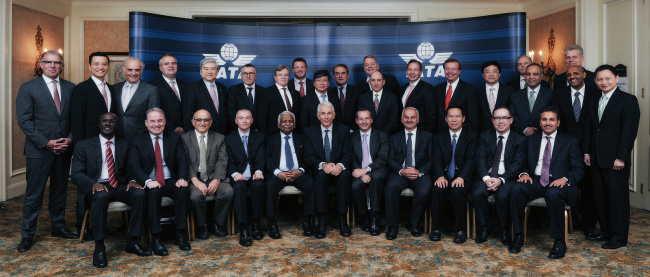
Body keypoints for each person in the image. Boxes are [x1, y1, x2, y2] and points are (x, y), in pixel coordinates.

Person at [16, 50, 77, 252]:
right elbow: (24, 120)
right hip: (39, 150)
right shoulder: (28, 88)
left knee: (60, 191)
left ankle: (58, 227)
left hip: (64, 149)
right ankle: (27, 235)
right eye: (48, 62)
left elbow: (75, 119)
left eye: (57, 62)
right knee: (34, 194)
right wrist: (46, 142)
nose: (53, 65)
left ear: (62, 66)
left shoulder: (71, 88)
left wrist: (70, 138)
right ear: (41, 64)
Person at [70, 113, 149, 268]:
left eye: (112, 121)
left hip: (118, 185)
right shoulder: (84, 145)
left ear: (117, 125)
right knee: (101, 196)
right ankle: (99, 248)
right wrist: (92, 183)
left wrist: (133, 181)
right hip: (96, 186)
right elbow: (76, 174)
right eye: (104, 121)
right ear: (99, 124)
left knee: (139, 193)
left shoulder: (125, 145)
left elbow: (132, 168)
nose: (108, 124)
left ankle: (133, 241)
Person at [509, 106, 583, 259]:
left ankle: (559, 241)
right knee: (516, 189)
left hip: (559, 181)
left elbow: (578, 168)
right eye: (544, 119)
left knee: (554, 193)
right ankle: (518, 236)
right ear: (540, 122)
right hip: (535, 180)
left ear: (558, 122)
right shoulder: (530, 140)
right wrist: (523, 174)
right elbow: (520, 162)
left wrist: (566, 179)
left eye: (551, 119)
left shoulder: (570, 141)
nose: (547, 123)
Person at [584, 64, 640, 249]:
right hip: (596, 158)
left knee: (617, 200)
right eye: (600, 79)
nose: (604, 82)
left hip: (616, 160)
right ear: (595, 81)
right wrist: (587, 152)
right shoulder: (593, 99)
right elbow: (590, 129)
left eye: (608, 78)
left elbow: (629, 132)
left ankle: (618, 237)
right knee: (600, 198)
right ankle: (606, 231)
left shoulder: (628, 100)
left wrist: (621, 157)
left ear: (616, 78)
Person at [128, 108, 190, 255]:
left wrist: (182, 178)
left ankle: (180, 234)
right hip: (151, 181)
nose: (157, 124)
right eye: (153, 121)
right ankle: (156, 238)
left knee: (182, 191)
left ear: (165, 122)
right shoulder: (137, 140)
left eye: (160, 120)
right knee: (153, 193)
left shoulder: (174, 138)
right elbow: (134, 166)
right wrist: (147, 180)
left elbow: (182, 160)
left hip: (170, 179)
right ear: (146, 123)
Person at [70, 52, 118, 238]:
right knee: (86, 186)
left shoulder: (111, 89)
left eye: (104, 64)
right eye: (96, 64)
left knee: (104, 185)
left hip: (108, 144)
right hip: (88, 145)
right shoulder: (81, 89)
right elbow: (77, 119)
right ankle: (83, 226)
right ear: (90, 66)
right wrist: (80, 147)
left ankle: (101, 225)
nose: (101, 67)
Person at [550, 65, 599, 238]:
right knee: (570, 183)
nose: (572, 77)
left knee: (589, 188)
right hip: (566, 148)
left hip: (590, 148)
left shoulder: (595, 93)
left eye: (576, 73)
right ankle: (573, 221)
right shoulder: (559, 94)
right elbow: (557, 122)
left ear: (584, 75)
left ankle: (589, 226)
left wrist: (589, 148)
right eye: (569, 74)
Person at [471, 106, 525, 245]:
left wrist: (501, 179)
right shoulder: (484, 135)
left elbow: (517, 164)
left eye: (504, 118)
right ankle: (485, 226)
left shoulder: (519, 139)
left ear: (511, 120)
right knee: (477, 193)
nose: (501, 121)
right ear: (492, 121)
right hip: (487, 175)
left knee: (503, 196)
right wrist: (487, 178)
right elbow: (480, 158)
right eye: (497, 118)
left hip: (507, 177)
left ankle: (505, 229)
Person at [181, 109, 234, 241]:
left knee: (228, 191)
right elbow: (183, 162)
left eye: (206, 120)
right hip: (195, 178)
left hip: (214, 176)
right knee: (195, 196)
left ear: (211, 122)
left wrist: (216, 179)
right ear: (193, 122)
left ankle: (217, 223)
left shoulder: (219, 138)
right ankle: (202, 225)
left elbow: (223, 160)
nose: (202, 123)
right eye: (199, 120)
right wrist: (195, 181)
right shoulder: (184, 138)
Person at [303, 102, 352, 238]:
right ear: (318, 116)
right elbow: (308, 156)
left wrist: (339, 165)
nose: (326, 117)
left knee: (344, 176)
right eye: (323, 113)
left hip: (338, 168)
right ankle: (322, 222)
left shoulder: (343, 130)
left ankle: (342, 220)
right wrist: (323, 165)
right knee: (320, 176)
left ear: (334, 115)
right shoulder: (309, 131)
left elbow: (348, 154)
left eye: (329, 113)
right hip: (320, 169)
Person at [430, 105, 478, 243]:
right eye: (451, 116)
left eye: (457, 116)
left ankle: (460, 230)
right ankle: (436, 229)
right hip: (444, 175)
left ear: (463, 118)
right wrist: (439, 176)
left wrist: (461, 177)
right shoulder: (439, 137)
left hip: (464, 176)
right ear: (445, 119)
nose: (454, 119)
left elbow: (470, 159)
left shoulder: (472, 136)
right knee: (437, 189)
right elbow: (436, 159)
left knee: (458, 191)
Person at [264, 112, 314, 239]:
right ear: (278, 124)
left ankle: (307, 221)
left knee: (311, 183)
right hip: (279, 174)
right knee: (269, 185)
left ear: (295, 124)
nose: (287, 124)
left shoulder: (302, 138)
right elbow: (267, 159)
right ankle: (272, 222)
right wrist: (278, 173)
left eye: (290, 121)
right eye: (284, 121)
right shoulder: (270, 139)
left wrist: (300, 171)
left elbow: (308, 158)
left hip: (298, 174)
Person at [384, 107, 433, 240]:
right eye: (406, 117)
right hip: (400, 172)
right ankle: (392, 226)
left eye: (412, 117)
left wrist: (420, 172)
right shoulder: (394, 138)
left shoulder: (428, 136)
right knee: (390, 188)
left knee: (424, 191)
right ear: (401, 119)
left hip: (420, 173)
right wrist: (401, 171)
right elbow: (390, 159)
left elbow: (431, 159)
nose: (409, 120)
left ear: (418, 119)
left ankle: (415, 224)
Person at [225, 109, 266, 246]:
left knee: (259, 185)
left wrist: (259, 170)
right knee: (239, 187)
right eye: (241, 118)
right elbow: (228, 161)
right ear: (236, 121)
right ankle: (243, 228)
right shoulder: (229, 138)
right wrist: (235, 174)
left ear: (252, 120)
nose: (244, 121)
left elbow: (261, 158)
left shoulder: (259, 137)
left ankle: (256, 223)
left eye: (247, 118)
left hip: (254, 174)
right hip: (238, 175)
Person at [348, 109, 389, 236]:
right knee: (356, 185)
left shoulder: (382, 135)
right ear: (356, 121)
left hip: (376, 169)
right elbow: (349, 157)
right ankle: (364, 216)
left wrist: (366, 170)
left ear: (371, 120)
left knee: (376, 178)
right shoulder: (351, 137)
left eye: (366, 118)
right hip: (358, 171)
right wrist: (360, 172)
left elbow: (382, 159)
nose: (364, 122)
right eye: (361, 119)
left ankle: (375, 218)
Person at [113, 57, 160, 140]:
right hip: (117, 139)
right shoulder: (114, 88)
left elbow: (153, 118)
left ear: (141, 71)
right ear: (124, 71)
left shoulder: (151, 90)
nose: (133, 73)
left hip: (140, 140)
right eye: (130, 70)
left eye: (137, 70)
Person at [184, 58, 229, 135]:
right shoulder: (192, 88)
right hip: (202, 134)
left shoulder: (223, 88)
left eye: (212, 69)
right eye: (206, 69)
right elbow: (188, 114)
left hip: (222, 134)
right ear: (201, 72)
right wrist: (190, 136)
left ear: (217, 72)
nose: (209, 72)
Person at [433, 58, 479, 133]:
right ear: (444, 70)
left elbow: (473, 117)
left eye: (454, 69)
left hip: (462, 134)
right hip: (439, 134)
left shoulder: (470, 89)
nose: (450, 72)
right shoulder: (437, 89)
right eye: (447, 69)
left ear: (459, 71)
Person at [510, 63, 554, 136]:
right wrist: (524, 129)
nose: (531, 77)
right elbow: (511, 115)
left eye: (535, 74)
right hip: (520, 137)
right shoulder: (515, 95)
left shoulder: (551, 94)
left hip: (543, 136)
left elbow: (554, 116)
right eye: (528, 74)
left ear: (541, 76)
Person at [150, 53, 187, 135]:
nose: (171, 66)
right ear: (160, 68)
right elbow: (153, 111)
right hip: (165, 133)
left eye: (173, 63)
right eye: (166, 64)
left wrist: (184, 127)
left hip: (185, 133)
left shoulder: (185, 86)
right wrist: (173, 128)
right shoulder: (152, 87)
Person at [257, 65, 301, 134]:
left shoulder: (296, 94)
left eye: (286, 75)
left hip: (294, 135)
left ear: (288, 77)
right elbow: (261, 118)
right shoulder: (266, 93)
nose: (283, 77)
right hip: (273, 136)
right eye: (280, 75)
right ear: (275, 77)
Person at [400, 60, 436, 133]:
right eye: (410, 69)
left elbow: (431, 115)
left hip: (421, 132)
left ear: (420, 72)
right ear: (406, 72)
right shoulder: (403, 88)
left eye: (415, 70)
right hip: (404, 132)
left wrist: (426, 135)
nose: (412, 72)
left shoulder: (427, 88)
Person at [477, 61, 513, 132]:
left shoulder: (509, 91)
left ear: (499, 74)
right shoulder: (475, 92)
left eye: (494, 71)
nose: (491, 74)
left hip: (504, 131)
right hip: (482, 133)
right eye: (487, 72)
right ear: (483, 75)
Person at [227, 64, 263, 131]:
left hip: (258, 132)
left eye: (251, 73)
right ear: (241, 75)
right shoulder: (233, 90)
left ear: (255, 75)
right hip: (239, 130)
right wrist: (241, 128)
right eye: (245, 73)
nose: (248, 76)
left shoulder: (263, 91)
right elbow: (231, 112)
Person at [328, 64, 362, 130]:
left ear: (348, 75)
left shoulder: (357, 91)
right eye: (337, 73)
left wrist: (352, 129)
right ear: (334, 76)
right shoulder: (329, 93)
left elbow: (360, 112)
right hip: (335, 130)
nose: (340, 76)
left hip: (354, 130)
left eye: (343, 73)